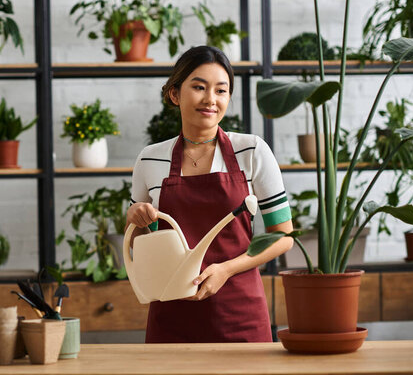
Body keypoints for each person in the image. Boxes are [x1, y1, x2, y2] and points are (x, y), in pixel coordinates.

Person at [126, 45, 294, 343]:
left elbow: (283, 236)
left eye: (221, 90)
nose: (210, 100)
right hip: (171, 314)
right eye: (199, 87)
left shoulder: (252, 151)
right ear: (175, 94)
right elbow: (142, 240)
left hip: (240, 314)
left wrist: (227, 270)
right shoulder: (149, 159)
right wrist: (136, 219)